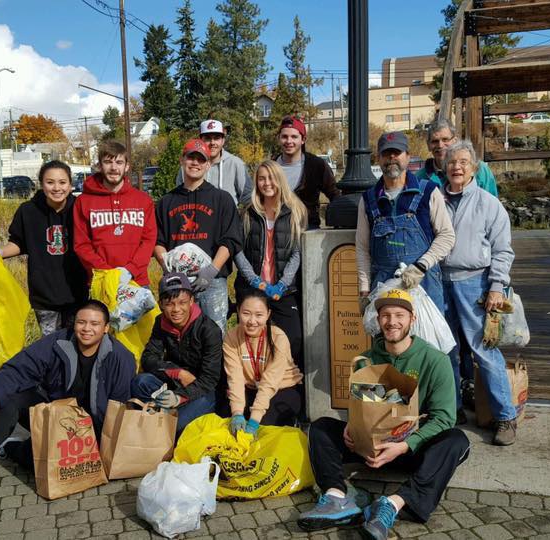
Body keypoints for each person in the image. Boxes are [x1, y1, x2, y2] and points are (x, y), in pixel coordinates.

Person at [297, 289, 470, 539]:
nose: (392, 322)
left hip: (411, 449)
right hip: (370, 446)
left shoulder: (435, 360)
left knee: (457, 441)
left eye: (400, 315)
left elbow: (444, 418)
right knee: (321, 427)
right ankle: (337, 497)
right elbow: (362, 407)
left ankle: (393, 504)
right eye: (385, 315)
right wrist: (351, 427)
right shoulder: (365, 359)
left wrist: (404, 446)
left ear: (413, 319)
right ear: (378, 321)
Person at [0, 300, 136, 497]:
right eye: (81, 322)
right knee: (7, 400)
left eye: (94, 324)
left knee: (44, 465)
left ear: (105, 328)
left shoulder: (121, 358)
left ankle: (11, 447)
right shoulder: (57, 343)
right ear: (74, 323)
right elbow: (16, 370)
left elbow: (119, 408)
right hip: (53, 416)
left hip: (93, 430)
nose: (87, 329)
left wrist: (105, 452)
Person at [440, 140, 517, 446]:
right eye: (451, 162)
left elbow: (503, 250)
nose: (456, 167)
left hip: (475, 283)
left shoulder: (488, 203)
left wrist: (497, 286)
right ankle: (452, 409)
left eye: (462, 162)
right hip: (441, 281)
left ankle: (505, 416)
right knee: (445, 349)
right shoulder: (437, 199)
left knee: (483, 350)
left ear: (473, 167)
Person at [356, 131, 455, 312]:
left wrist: (421, 265)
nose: (392, 158)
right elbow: (362, 249)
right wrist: (364, 289)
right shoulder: (368, 199)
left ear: (408, 157)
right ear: (378, 158)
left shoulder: (428, 192)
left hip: (423, 282)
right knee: (388, 338)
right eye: (386, 153)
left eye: (397, 152)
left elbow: (447, 236)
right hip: (384, 285)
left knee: (428, 339)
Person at [154, 138, 243, 333]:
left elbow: (231, 239)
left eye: (201, 159)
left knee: (214, 334)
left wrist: (211, 270)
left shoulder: (222, 199)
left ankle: (214, 366)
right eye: (190, 157)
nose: (195, 163)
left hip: (212, 281)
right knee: (181, 335)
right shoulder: (166, 202)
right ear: (182, 160)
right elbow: (158, 241)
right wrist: (168, 268)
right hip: (178, 283)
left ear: (208, 164)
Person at [0, 160, 88, 335]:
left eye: (62, 182)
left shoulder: (81, 209)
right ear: (41, 184)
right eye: (50, 182)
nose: (56, 188)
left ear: (70, 185)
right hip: (44, 295)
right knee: (49, 347)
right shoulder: (28, 211)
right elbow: (18, 243)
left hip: (78, 293)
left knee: (76, 345)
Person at [233, 160, 307, 366]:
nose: (267, 183)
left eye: (271, 178)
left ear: (280, 180)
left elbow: (297, 252)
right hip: (253, 289)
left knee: (294, 339)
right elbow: (237, 250)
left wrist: (283, 284)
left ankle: (290, 384)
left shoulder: (296, 211)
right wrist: (256, 281)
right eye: (261, 178)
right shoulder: (248, 213)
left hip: (283, 290)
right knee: (253, 343)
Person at [132, 272, 223, 436]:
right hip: (175, 383)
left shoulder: (209, 330)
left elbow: (210, 379)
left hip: (204, 390)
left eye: (182, 303)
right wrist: (178, 373)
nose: (176, 310)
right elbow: (148, 358)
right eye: (170, 304)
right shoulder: (161, 322)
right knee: (140, 382)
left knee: (174, 425)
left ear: (192, 301)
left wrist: (180, 397)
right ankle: (159, 415)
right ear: (160, 304)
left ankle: (162, 419)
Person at [217, 290, 304, 434]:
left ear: (268, 314)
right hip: (250, 388)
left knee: (263, 427)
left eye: (259, 315)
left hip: (283, 387)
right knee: (227, 422)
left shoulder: (278, 337)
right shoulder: (231, 336)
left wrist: (255, 420)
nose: (252, 321)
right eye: (246, 313)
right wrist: (237, 413)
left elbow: (270, 381)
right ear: (238, 311)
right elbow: (235, 377)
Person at [73, 140, 157, 287]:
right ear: (99, 166)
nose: (113, 168)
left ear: (127, 166)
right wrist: (108, 273)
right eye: (107, 162)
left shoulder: (143, 200)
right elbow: (82, 245)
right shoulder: (83, 201)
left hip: (136, 281)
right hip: (102, 281)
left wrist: (130, 270)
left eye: (119, 162)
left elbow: (149, 240)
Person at [275, 115, 339, 229]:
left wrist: (338, 222)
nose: (289, 141)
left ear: (303, 139)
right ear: (278, 138)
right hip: (278, 230)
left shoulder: (316, 165)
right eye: (284, 136)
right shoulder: (271, 166)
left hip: (308, 229)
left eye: (294, 137)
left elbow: (335, 195)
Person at [174, 119, 253, 206]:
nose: (212, 142)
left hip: (226, 218)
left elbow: (248, 198)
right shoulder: (190, 167)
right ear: (200, 140)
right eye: (207, 138)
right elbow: (180, 197)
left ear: (223, 141)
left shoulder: (236, 164)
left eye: (216, 138)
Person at [417, 119, 498, 196]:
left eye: (445, 140)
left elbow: (492, 206)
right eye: (435, 141)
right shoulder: (420, 178)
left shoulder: (480, 170)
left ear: (455, 141)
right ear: (428, 145)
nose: (440, 145)